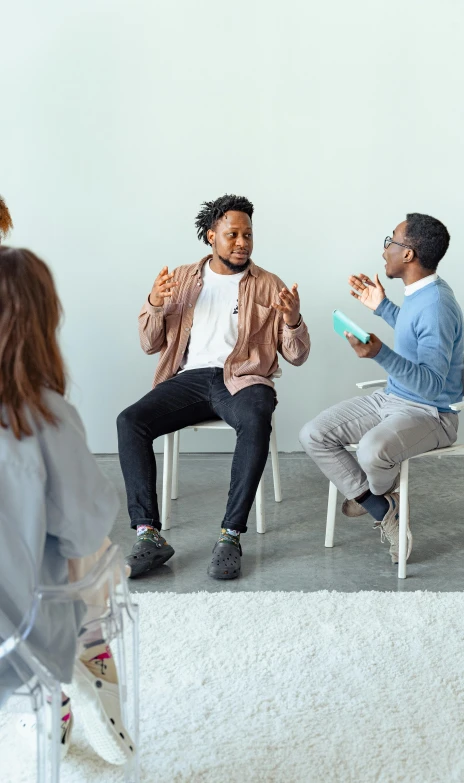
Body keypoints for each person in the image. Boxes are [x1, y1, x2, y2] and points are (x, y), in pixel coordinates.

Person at [0, 203, 134, 765]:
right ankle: (90, 661)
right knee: (101, 558)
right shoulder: (43, 415)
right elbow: (83, 532)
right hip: (23, 631)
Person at [118, 193, 311, 579]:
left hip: (243, 379)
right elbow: (149, 344)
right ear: (211, 236)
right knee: (130, 421)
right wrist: (155, 302)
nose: (242, 243)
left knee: (257, 418)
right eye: (233, 234)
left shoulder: (270, 285)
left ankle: (230, 535)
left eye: (248, 235)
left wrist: (292, 319)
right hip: (189, 378)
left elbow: (297, 355)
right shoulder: (183, 279)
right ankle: (148, 534)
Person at [300, 213, 464, 564]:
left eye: (391, 241)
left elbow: (433, 385)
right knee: (314, 434)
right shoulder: (421, 294)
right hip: (392, 398)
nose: (385, 249)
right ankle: (381, 505)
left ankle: (371, 496)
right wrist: (383, 307)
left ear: (408, 254)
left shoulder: (437, 305)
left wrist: (379, 354)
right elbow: (412, 331)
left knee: (372, 451)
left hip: (431, 414)